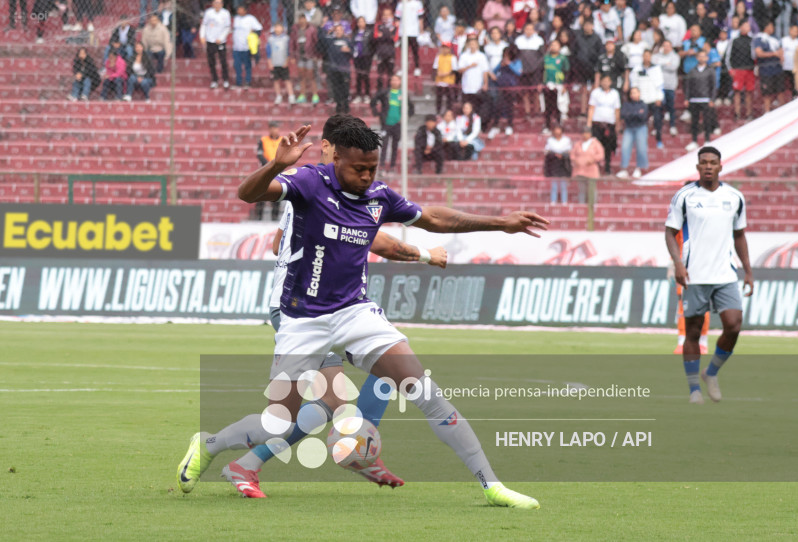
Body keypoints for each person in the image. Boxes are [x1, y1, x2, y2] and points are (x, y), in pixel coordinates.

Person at [213, 121, 548, 509]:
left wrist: (500, 223)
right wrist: (274, 166)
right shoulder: (307, 181)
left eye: (373, 167)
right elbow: (247, 194)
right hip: (302, 318)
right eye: (360, 168)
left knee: (425, 392)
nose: (368, 176)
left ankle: (492, 486)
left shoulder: (378, 195)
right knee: (283, 423)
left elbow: (433, 218)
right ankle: (212, 446)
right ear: (335, 156)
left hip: (355, 312)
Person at [182, 116, 449, 497]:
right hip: (299, 307)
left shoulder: (318, 190)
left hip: (332, 307)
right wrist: (424, 254)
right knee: (333, 402)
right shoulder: (309, 185)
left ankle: (248, 462)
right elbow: (379, 243)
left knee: (331, 401)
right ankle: (228, 451)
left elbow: (280, 243)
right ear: (329, 149)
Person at [665, 146, 753, 404]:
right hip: (694, 276)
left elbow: (740, 235)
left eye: (712, 162)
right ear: (697, 167)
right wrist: (678, 264)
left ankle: (711, 372)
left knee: (734, 325)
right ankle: (694, 391)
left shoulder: (735, 197)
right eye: (703, 162)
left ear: (720, 166)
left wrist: (748, 271)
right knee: (692, 333)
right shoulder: (684, 196)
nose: (708, 166)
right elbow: (670, 232)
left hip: (725, 274)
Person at [670, 228, 710, 356]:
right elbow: (674, 243)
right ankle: (682, 341)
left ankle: (703, 341)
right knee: (683, 304)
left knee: (704, 304)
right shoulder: (681, 223)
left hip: (704, 266)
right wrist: (673, 265)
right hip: (684, 267)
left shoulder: (706, 220)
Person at [371, 75, 414, 170]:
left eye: (396, 80)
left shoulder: (403, 94)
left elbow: (411, 107)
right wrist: (377, 114)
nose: (394, 82)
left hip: (397, 124)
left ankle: (392, 165)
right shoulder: (385, 93)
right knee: (384, 144)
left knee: (395, 145)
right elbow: (373, 101)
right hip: (386, 123)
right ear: (390, 82)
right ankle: (382, 165)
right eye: (393, 80)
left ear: (400, 82)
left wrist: (406, 117)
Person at [629, 49, 665, 147]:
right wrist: (635, 95)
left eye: (648, 56)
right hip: (642, 100)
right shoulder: (637, 69)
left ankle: (659, 140)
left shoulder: (656, 69)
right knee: (640, 121)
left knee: (657, 120)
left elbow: (660, 84)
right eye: (645, 56)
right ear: (642, 57)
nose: (647, 58)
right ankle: (639, 141)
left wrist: (659, 98)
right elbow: (634, 83)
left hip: (654, 98)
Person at [587, 73, 621, 174]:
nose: (605, 83)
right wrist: (589, 122)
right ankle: (595, 166)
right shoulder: (595, 92)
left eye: (607, 81)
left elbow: (617, 110)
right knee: (596, 145)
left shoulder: (615, 93)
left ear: (610, 82)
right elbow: (591, 108)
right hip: (597, 124)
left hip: (610, 124)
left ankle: (607, 166)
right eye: (604, 81)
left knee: (608, 146)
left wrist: (617, 124)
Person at [487, 44, 522, 138]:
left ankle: (509, 125)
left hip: (511, 88)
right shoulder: (501, 62)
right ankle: (495, 125)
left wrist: (509, 64)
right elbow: (494, 71)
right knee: (498, 105)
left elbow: (519, 72)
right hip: (501, 86)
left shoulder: (516, 62)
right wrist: (493, 75)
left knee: (509, 106)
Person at [683, 50, 716, 151]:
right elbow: (688, 86)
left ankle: (707, 141)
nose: (701, 58)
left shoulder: (710, 71)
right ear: (697, 58)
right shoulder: (692, 71)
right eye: (699, 56)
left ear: (707, 58)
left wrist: (712, 99)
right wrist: (687, 98)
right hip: (694, 100)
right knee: (694, 122)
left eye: (703, 56)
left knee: (707, 121)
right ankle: (694, 141)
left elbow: (713, 86)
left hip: (706, 99)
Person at [617, 87, 649, 178]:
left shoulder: (643, 105)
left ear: (639, 93)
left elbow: (643, 116)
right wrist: (636, 113)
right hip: (629, 128)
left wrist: (631, 114)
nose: (634, 95)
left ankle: (639, 168)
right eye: (632, 93)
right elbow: (623, 115)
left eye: (635, 92)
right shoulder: (626, 104)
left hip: (640, 128)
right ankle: (624, 169)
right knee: (625, 147)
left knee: (641, 148)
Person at [515, 22, 545, 117]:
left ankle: (536, 111)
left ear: (534, 30)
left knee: (536, 92)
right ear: (524, 30)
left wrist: (537, 67)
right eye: (527, 29)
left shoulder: (539, 40)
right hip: (523, 70)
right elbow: (515, 55)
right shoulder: (519, 40)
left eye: (531, 29)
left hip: (535, 70)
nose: (528, 31)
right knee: (525, 93)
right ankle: (527, 112)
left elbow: (542, 56)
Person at [574, 19, 603, 115]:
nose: (587, 27)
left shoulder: (597, 38)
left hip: (593, 67)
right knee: (583, 89)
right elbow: (575, 51)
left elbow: (601, 53)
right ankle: (583, 110)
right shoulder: (579, 38)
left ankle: (592, 110)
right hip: (582, 67)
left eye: (589, 25)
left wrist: (597, 66)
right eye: (585, 25)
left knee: (594, 89)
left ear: (593, 26)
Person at [200, 0, 231, 90]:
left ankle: (225, 80)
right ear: (213, 4)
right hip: (210, 40)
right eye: (215, 3)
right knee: (211, 61)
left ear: (222, 4)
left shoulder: (225, 13)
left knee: (223, 61)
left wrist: (221, 38)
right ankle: (214, 80)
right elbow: (204, 25)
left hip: (220, 42)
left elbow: (227, 27)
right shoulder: (208, 13)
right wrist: (202, 36)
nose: (217, 5)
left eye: (219, 3)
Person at [754, 21, 784, 113]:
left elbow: (781, 51)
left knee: (780, 91)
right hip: (766, 70)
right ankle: (767, 112)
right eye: (771, 26)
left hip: (778, 69)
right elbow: (759, 53)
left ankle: (782, 112)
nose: (772, 28)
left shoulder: (776, 38)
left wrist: (781, 56)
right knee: (767, 93)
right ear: (766, 27)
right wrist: (773, 54)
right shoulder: (759, 38)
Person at [290, 14, 320, 104]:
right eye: (300, 19)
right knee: (301, 76)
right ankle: (302, 95)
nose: (302, 21)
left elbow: (316, 42)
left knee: (311, 76)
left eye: (304, 19)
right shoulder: (295, 29)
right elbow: (292, 43)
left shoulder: (312, 29)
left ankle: (315, 95)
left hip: (310, 56)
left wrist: (316, 55)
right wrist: (292, 56)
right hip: (300, 56)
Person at [728, 20, 755, 120]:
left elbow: (754, 56)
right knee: (737, 92)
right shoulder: (734, 41)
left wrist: (755, 67)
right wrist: (731, 69)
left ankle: (749, 114)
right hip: (738, 69)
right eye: (745, 25)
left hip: (749, 70)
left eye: (749, 26)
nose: (747, 27)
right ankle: (737, 113)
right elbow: (729, 56)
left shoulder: (752, 41)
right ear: (740, 27)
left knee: (749, 92)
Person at [232, 4, 262, 89]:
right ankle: (238, 82)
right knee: (237, 65)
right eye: (238, 10)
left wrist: (253, 34)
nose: (239, 11)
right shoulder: (236, 19)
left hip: (246, 47)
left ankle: (248, 82)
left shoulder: (251, 19)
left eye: (241, 9)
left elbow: (259, 29)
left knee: (247, 65)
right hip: (236, 47)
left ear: (245, 11)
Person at [570, 126, 604, 201]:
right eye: (583, 133)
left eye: (587, 133)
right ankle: (581, 206)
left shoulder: (595, 143)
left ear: (590, 134)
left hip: (591, 169)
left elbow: (601, 154)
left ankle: (592, 206)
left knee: (592, 189)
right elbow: (572, 154)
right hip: (580, 169)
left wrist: (592, 160)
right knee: (581, 190)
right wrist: (575, 160)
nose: (585, 135)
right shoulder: (578, 143)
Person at [654, 39, 680, 135]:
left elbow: (673, 67)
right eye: (664, 45)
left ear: (671, 47)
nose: (666, 47)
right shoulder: (657, 56)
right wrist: (666, 63)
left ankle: (672, 126)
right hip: (659, 86)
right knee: (659, 108)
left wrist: (661, 64)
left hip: (670, 86)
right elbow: (654, 65)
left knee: (671, 107)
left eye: (668, 45)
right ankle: (658, 127)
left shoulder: (675, 56)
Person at [543, 40, 569, 134]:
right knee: (547, 107)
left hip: (559, 86)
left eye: (556, 45)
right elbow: (541, 71)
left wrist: (565, 85)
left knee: (558, 106)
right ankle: (547, 125)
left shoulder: (563, 58)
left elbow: (567, 72)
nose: (553, 47)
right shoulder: (545, 58)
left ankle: (558, 126)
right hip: (547, 86)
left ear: (560, 47)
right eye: (552, 45)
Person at [458, 37, 490, 112]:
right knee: (466, 105)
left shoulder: (481, 56)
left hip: (477, 86)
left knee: (477, 106)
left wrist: (485, 83)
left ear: (477, 45)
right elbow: (460, 70)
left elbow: (485, 71)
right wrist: (470, 66)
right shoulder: (464, 56)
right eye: (471, 44)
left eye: (474, 44)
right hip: (466, 86)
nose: (472, 45)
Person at [327, 24, 354, 115]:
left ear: (343, 31)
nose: (338, 32)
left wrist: (349, 51)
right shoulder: (331, 41)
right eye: (336, 30)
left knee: (345, 88)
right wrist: (329, 32)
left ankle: (346, 105)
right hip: (334, 69)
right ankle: (338, 105)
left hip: (345, 69)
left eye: (340, 30)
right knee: (336, 88)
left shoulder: (347, 41)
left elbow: (353, 53)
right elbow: (323, 41)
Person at [544, 125, 572, 204]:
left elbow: (569, 151)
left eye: (559, 130)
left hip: (563, 163)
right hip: (554, 163)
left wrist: (562, 155)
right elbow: (547, 151)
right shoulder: (550, 140)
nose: (557, 132)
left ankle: (564, 201)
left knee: (563, 184)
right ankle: (553, 200)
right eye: (556, 130)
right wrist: (555, 154)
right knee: (554, 184)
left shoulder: (566, 140)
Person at [395, 0, 424, 76]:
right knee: (404, 52)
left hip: (414, 32)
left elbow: (420, 18)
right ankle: (404, 68)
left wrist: (421, 31)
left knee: (415, 51)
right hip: (403, 32)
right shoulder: (400, 4)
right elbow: (397, 19)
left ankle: (417, 68)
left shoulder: (418, 3)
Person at [267, 22, 294, 104]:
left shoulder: (286, 38)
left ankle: (291, 96)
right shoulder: (270, 39)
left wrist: (287, 60)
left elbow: (288, 50)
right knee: (276, 80)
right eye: (276, 27)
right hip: (274, 63)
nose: (277, 29)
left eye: (279, 27)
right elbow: (268, 51)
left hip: (283, 62)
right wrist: (269, 62)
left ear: (282, 29)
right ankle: (278, 96)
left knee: (287, 80)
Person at [373, 8, 399, 91]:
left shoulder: (395, 26)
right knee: (380, 75)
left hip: (390, 53)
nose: (386, 16)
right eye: (384, 14)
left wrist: (383, 34)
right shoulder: (378, 25)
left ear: (391, 16)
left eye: (388, 15)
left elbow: (395, 38)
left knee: (390, 75)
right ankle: (379, 93)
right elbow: (376, 37)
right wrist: (388, 34)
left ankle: (389, 92)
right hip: (380, 52)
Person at [351, 17, 373, 104]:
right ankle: (358, 95)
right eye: (359, 21)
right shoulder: (355, 33)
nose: (360, 23)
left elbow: (372, 44)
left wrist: (370, 54)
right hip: (357, 57)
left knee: (366, 76)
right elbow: (352, 43)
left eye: (362, 21)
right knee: (358, 76)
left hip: (366, 57)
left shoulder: (369, 32)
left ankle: (367, 95)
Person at [433, 42, 458, 114]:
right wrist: (436, 77)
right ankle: (438, 112)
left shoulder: (452, 58)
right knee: (439, 99)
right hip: (439, 81)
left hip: (449, 82)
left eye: (446, 48)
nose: (444, 50)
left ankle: (449, 112)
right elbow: (435, 68)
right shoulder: (438, 57)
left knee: (449, 99)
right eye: (443, 48)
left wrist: (445, 74)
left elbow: (454, 70)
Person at [780, 24, 798, 100]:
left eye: (797, 31)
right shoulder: (784, 40)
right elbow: (780, 52)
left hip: (795, 68)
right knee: (782, 86)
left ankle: (794, 99)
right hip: (784, 67)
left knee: (794, 85)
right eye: (793, 30)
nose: (795, 32)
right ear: (790, 30)